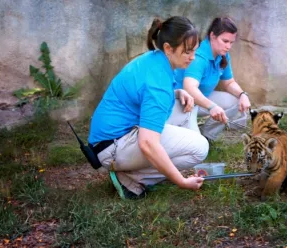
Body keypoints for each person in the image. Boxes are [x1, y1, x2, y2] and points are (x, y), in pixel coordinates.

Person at [88, 16, 209, 200]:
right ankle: (133, 179)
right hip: (112, 149)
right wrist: (181, 182)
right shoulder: (158, 83)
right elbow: (147, 143)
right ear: (168, 48)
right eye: (187, 52)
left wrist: (177, 92)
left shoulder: (155, 59)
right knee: (200, 148)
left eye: (195, 51)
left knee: (188, 105)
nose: (193, 58)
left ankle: (148, 169)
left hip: (114, 137)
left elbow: (144, 94)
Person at [172, 17, 251, 141]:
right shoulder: (199, 57)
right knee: (195, 146)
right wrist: (212, 107)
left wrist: (242, 94)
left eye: (231, 42)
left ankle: (207, 135)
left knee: (235, 101)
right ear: (212, 36)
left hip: (200, 100)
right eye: (225, 41)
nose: (228, 46)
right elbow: (189, 88)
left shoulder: (222, 54)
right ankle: (191, 133)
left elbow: (228, 82)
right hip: (182, 103)